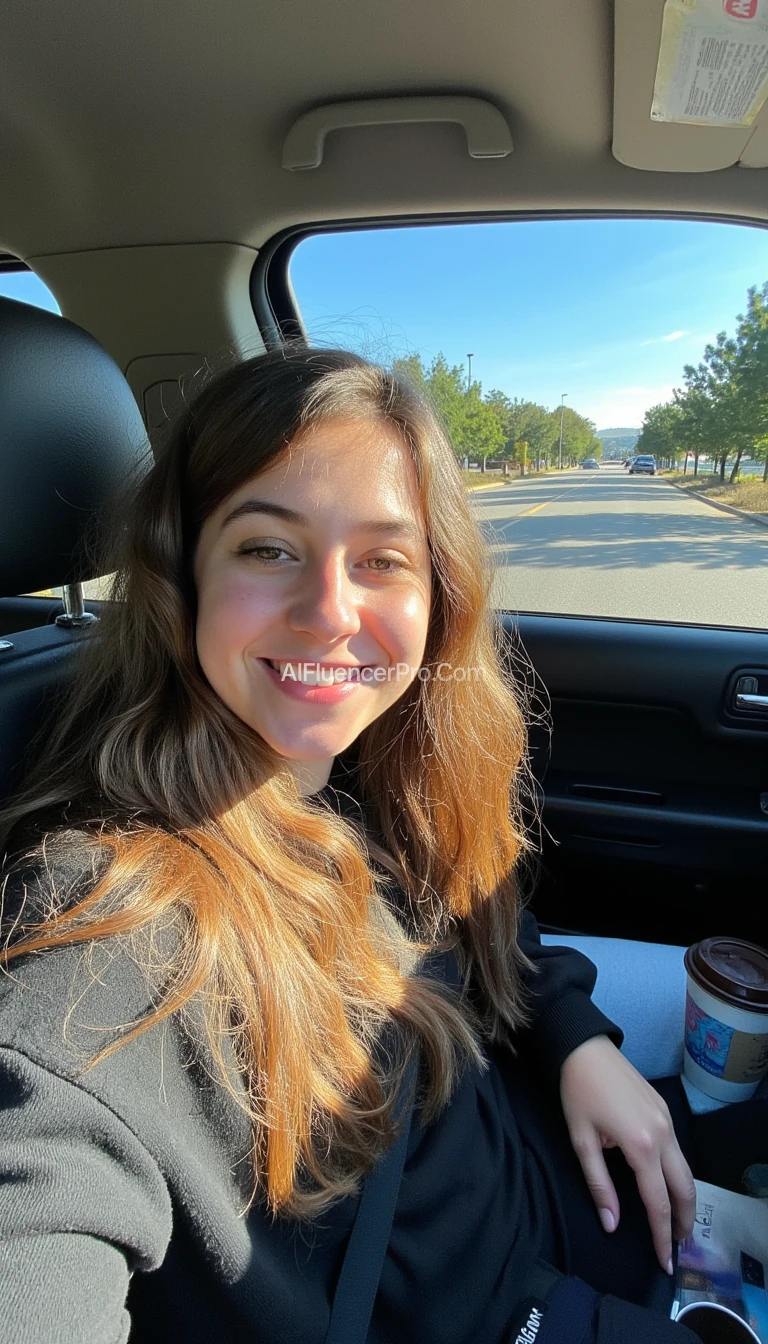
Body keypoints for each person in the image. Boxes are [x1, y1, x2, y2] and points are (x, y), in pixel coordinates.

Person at [0, 347, 763, 1344]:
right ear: (184, 575)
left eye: (382, 560)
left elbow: (470, 908)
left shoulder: (352, 762)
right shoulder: (110, 930)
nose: (330, 611)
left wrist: (574, 1041)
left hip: (558, 1171)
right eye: (268, 548)